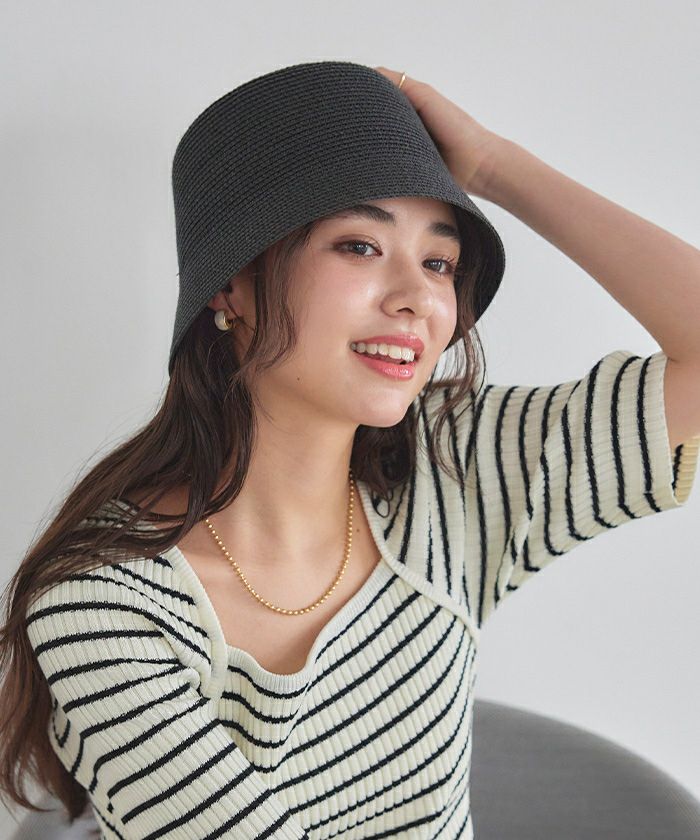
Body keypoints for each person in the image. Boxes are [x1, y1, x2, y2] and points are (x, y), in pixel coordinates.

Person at [1, 60, 698, 840]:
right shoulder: (101, 603)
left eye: (439, 261)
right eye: (360, 246)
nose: (418, 297)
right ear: (232, 285)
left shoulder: (452, 469)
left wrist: (495, 169)